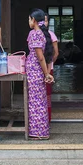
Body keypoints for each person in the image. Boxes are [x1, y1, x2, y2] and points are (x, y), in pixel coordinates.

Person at [27, 9, 55, 139]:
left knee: (35, 102)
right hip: (38, 71)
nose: (29, 22)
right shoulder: (42, 34)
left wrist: (46, 74)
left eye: (29, 19)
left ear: (33, 20)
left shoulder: (35, 34)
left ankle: (38, 132)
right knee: (40, 101)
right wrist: (47, 72)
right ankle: (42, 131)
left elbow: (40, 57)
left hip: (35, 71)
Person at [45, 14, 59, 122]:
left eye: (45, 21)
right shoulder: (34, 34)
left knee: (47, 95)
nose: (43, 23)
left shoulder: (51, 34)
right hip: (36, 70)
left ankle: (47, 119)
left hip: (48, 68)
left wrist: (49, 65)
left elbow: (56, 53)